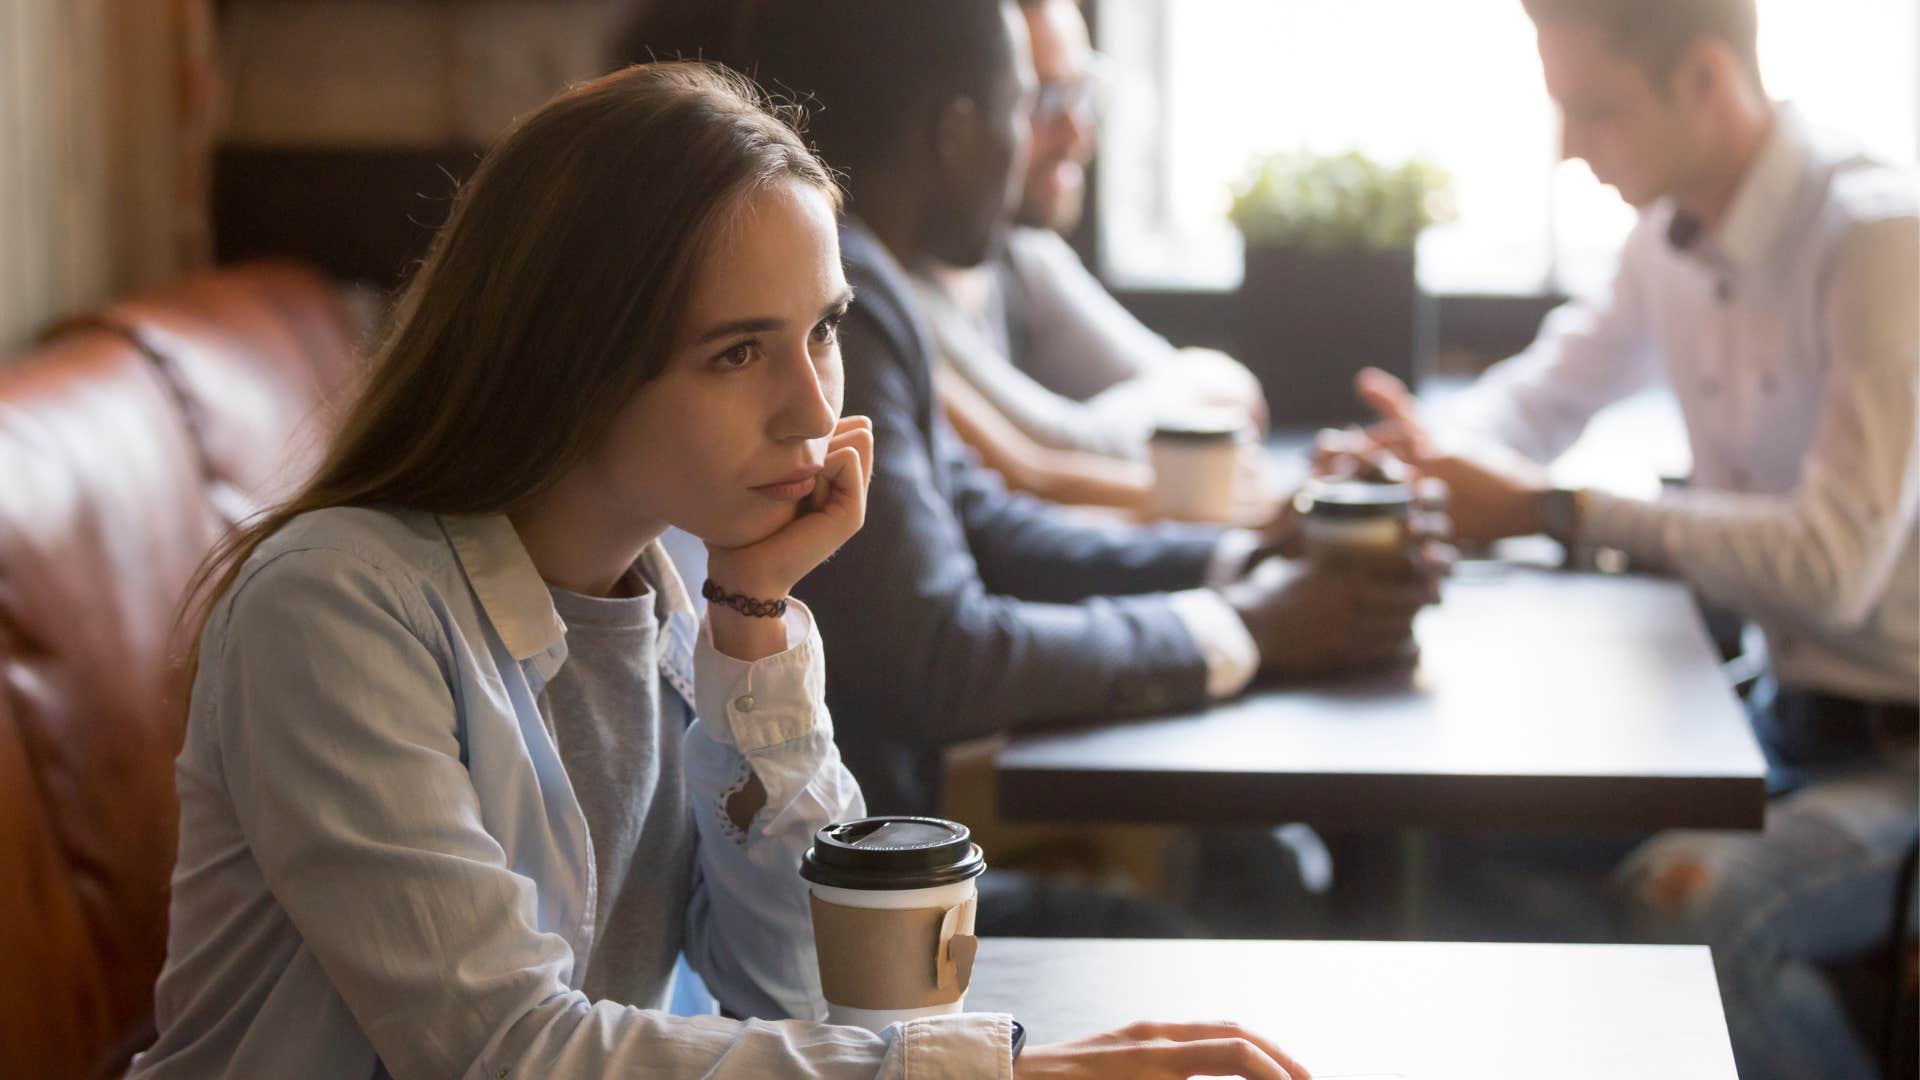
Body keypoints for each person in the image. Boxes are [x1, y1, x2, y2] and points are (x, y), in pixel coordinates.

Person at [128, 62, 1312, 1079]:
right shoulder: (335, 605)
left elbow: (789, 989)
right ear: (570, 362)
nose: (811, 410)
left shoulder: (675, 589)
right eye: (738, 351)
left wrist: (755, 622)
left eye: (824, 332)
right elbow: (503, 1053)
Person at [1330, 2, 1917, 1076]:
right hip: (1775, 726)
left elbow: (1836, 567)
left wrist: (1564, 510)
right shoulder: (1669, 234)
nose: (1566, 148)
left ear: (1704, 79)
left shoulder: (1877, 236)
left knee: (1687, 908)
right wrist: (1423, 457)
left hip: (1899, 761)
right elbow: (1546, 396)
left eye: (1592, 109)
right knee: (1459, 834)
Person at [682, 0, 1446, 825]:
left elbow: (991, 526)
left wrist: (1244, 556)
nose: (1037, 145)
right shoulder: (840, 311)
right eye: (1023, 107)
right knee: (1252, 874)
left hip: (890, 847)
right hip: (871, 864)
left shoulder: (874, 290)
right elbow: (940, 658)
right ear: (955, 132)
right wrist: (1245, 627)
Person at [908, 0, 1274, 513]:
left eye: (1083, 91)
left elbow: (1231, 394)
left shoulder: (1019, 253)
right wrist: (1189, 452)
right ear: (956, 124)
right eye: (1044, 99)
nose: (1080, 133)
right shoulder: (882, 294)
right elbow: (1052, 456)